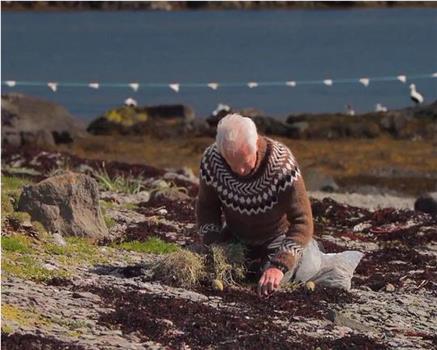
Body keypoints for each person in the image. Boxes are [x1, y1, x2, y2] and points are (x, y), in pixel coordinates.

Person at [196, 113, 313, 297]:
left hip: (276, 238)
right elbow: (206, 207)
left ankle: (309, 254)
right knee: (213, 271)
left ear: (256, 144)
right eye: (232, 164)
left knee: (271, 281)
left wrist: (279, 265)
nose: (240, 171)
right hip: (236, 237)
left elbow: (302, 221)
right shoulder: (212, 161)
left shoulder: (281, 165)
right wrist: (215, 245)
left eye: (245, 163)